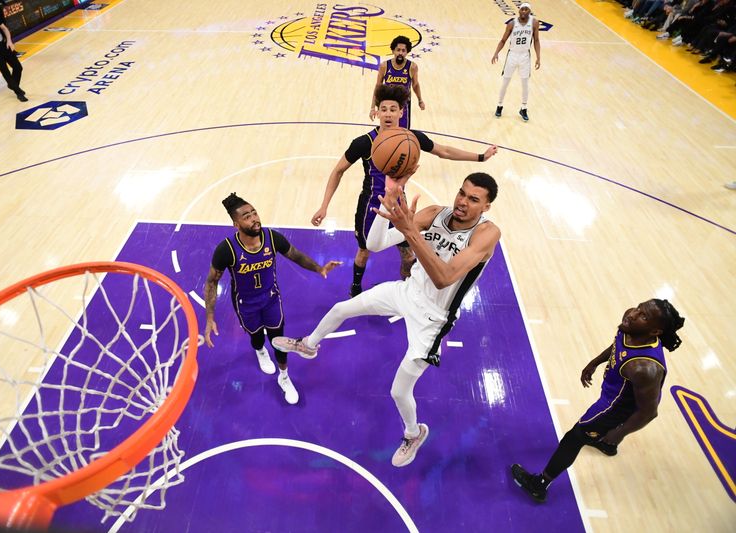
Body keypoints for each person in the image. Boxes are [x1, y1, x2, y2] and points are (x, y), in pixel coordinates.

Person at [275, 170, 502, 467]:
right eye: (462, 193)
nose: (462, 202)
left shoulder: (487, 233)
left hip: (434, 319)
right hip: (407, 292)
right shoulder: (435, 213)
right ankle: (309, 345)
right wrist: (389, 209)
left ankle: (413, 433)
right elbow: (375, 243)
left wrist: (409, 231)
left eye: (473, 199)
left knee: (398, 391)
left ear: (486, 206)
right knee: (342, 309)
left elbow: (444, 278)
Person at [312, 83, 498, 298]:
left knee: (408, 250)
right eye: (383, 109)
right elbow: (338, 171)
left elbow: (444, 151)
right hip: (371, 206)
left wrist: (481, 157)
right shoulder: (364, 143)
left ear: (402, 112)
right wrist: (324, 206)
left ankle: (410, 286)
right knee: (364, 249)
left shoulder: (412, 138)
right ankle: (355, 286)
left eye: (393, 109)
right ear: (376, 112)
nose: (388, 114)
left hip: (399, 205)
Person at [511, 299, 686, 503]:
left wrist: (617, 432)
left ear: (655, 331)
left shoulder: (644, 368)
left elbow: (649, 412)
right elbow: (618, 345)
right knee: (596, 435)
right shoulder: (630, 327)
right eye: (639, 307)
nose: (633, 314)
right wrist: (594, 363)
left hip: (614, 408)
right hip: (616, 392)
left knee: (573, 438)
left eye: (643, 316)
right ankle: (606, 444)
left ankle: (540, 485)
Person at [204, 193, 342, 405]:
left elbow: (295, 254)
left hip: (271, 300)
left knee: (279, 341)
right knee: (257, 337)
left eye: (254, 213)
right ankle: (260, 351)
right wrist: (210, 316)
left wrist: (319, 268)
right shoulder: (227, 250)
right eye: (247, 216)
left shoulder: (271, 238)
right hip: (246, 305)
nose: (254, 218)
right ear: (236, 224)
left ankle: (284, 377)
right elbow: (212, 282)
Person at [491, 2, 541, 121]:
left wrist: (538, 57)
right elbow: (503, 40)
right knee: (505, 82)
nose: (523, 11)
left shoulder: (534, 23)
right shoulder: (512, 24)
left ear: (529, 11)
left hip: (525, 56)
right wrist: (496, 52)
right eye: (522, 9)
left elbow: (536, 40)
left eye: (526, 9)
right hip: (512, 55)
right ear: (519, 11)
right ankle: (499, 105)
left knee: (525, 83)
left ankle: (523, 108)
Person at [369, 35, 424, 129]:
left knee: (402, 132)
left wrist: (420, 100)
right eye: (398, 50)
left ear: (407, 52)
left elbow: (415, 85)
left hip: (403, 105)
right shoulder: (384, 66)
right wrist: (373, 108)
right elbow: (378, 87)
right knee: (386, 131)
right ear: (393, 51)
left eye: (403, 51)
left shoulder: (412, 67)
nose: (400, 53)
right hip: (387, 105)